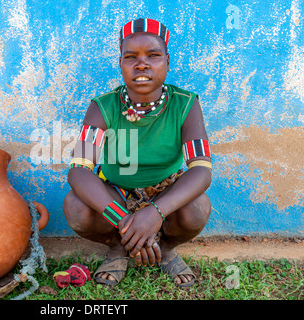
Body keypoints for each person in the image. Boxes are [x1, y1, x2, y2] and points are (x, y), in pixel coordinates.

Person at [63, 18, 212, 288]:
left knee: (198, 207)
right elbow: (79, 170)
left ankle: (164, 248)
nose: (142, 64)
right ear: (121, 64)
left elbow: (201, 169)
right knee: (75, 206)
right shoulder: (103, 107)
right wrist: (125, 223)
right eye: (130, 57)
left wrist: (155, 213)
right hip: (116, 196)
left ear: (167, 61)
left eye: (153, 55)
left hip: (165, 195)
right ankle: (120, 247)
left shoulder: (186, 105)